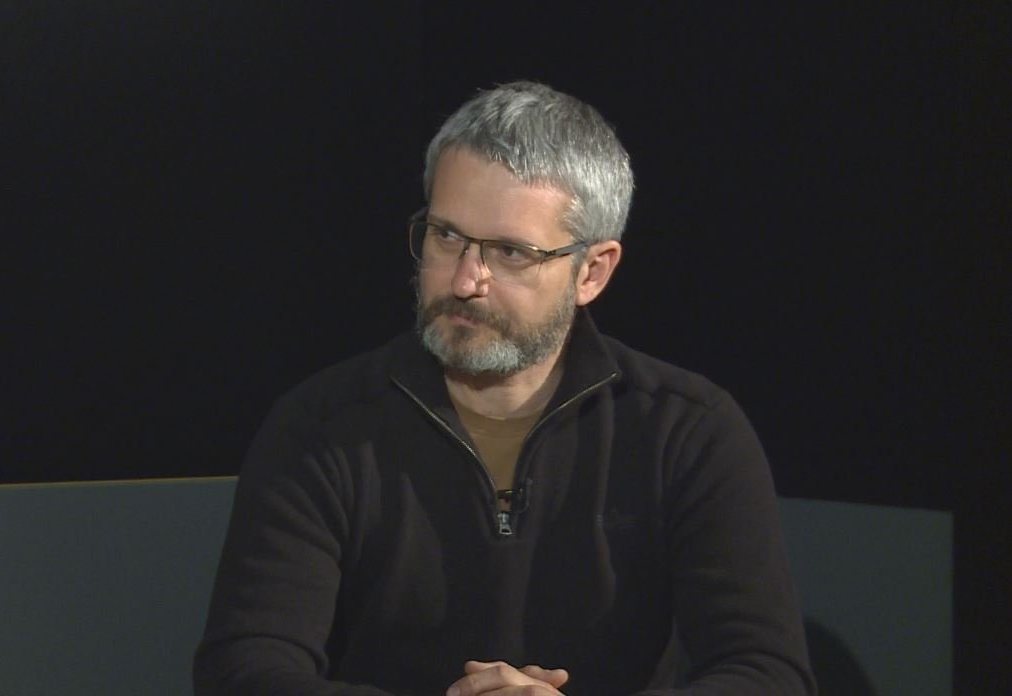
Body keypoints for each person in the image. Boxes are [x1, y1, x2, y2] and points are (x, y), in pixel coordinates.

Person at [194, 81, 816, 695]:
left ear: (592, 272)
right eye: (446, 236)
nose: (466, 281)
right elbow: (242, 670)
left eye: (511, 253)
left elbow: (769, 673)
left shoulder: (688, 430)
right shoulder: (321, 425)